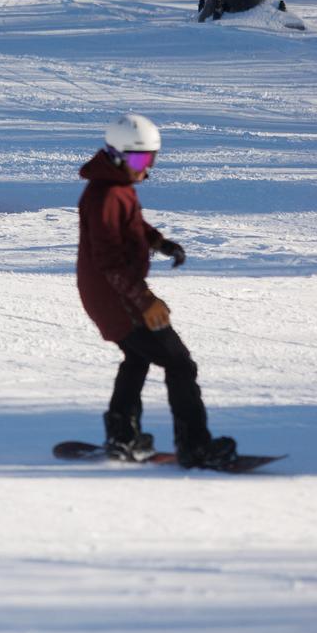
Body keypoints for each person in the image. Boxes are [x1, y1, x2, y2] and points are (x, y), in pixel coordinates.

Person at [76, 113, 236, 469]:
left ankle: (122, 436)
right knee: (179, 362)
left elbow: (132, 224)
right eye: (139, 159)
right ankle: (195, 446)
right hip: (118, 298)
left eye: (150, 159)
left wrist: (158, 242)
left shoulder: (115, 188)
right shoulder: (104, 196)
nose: (145, 167)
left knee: (137, 357)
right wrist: (145, 301)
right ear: (116, 154)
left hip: (111, 295)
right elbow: (110, 263)